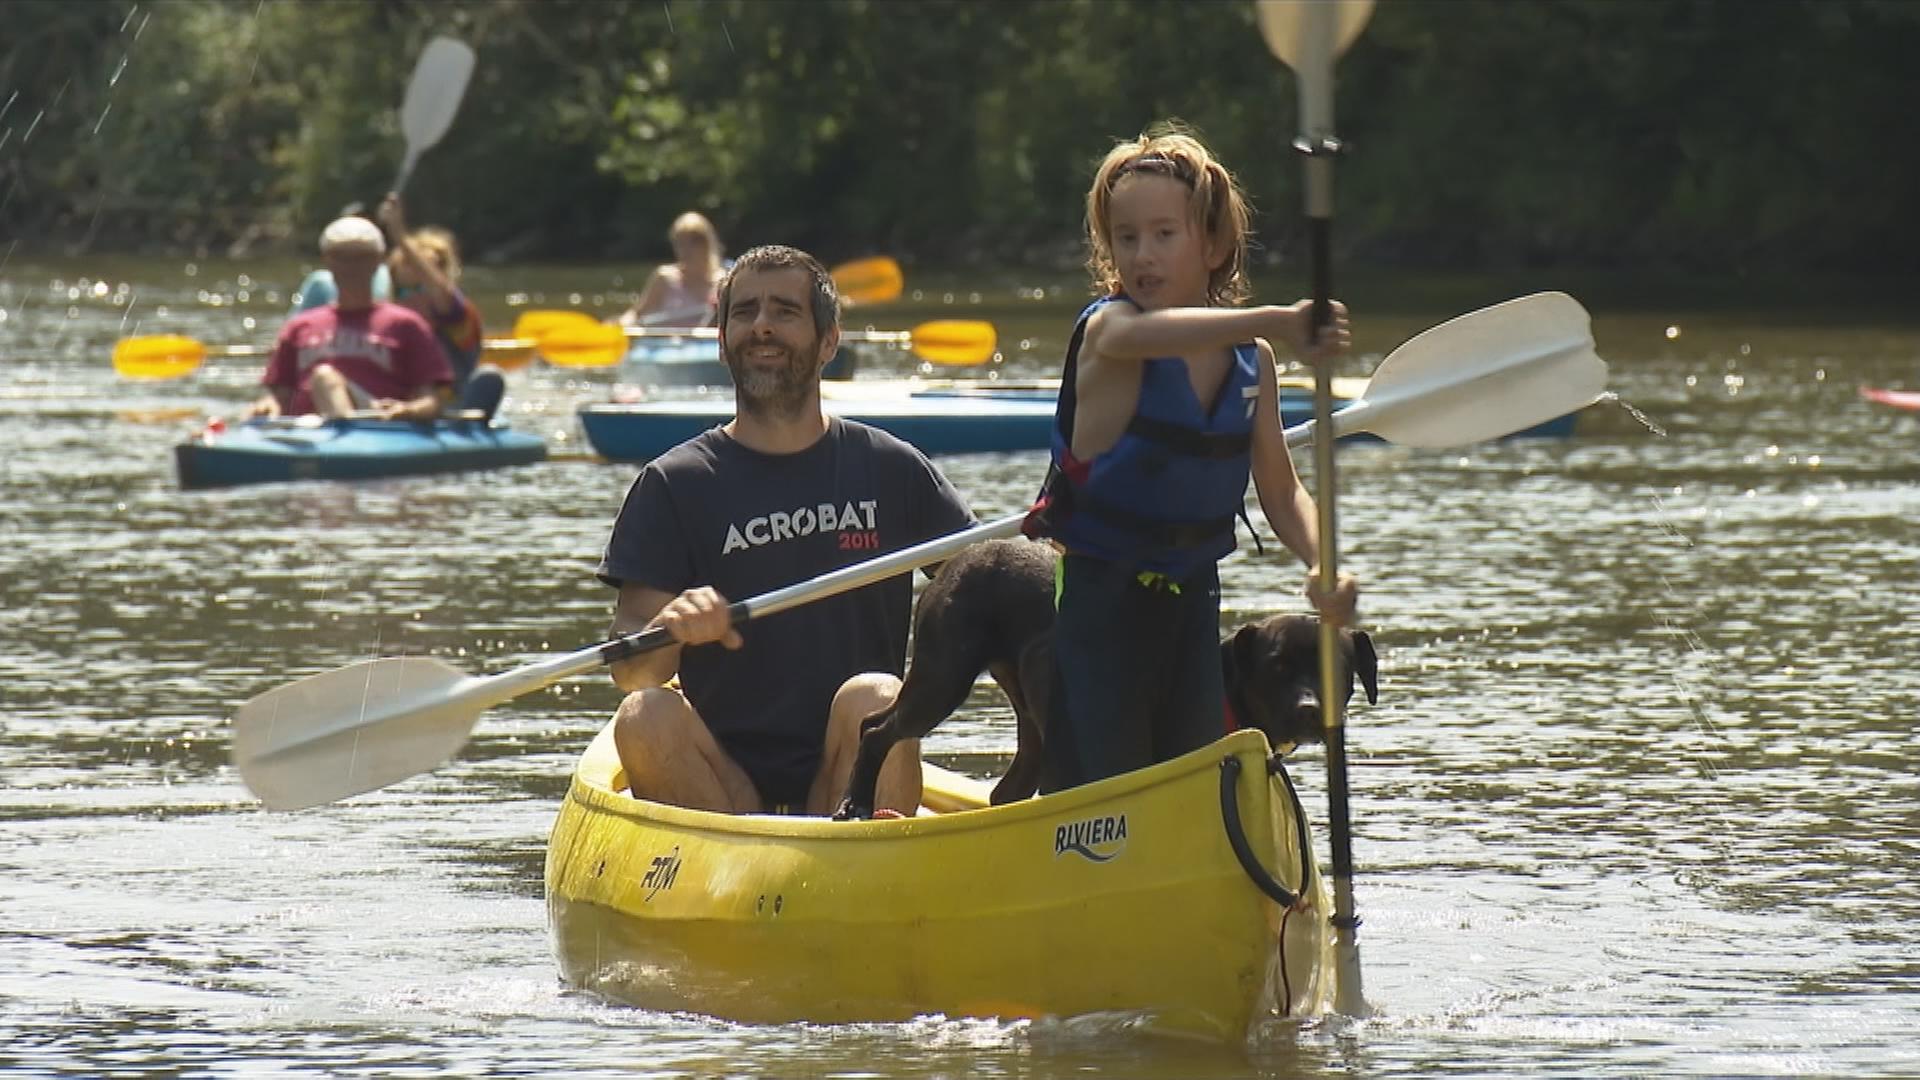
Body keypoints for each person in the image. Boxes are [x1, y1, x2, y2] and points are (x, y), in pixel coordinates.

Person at [1023, 124, 1360, 793]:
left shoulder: (1251, 364)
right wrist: (1276, 318)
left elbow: (1283, 491)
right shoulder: (1108, 332)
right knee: (1113, 789)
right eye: (1126, 238)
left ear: (1214, 244)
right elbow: (1141, 336)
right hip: (1102, 607)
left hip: (1192, 602)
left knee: (1192, 781)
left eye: (1163, 234)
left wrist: (1326, 561)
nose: (1141, 255)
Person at [598, 245, 976, 816]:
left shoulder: (892, 468)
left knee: (879, 697)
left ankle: (873, 865)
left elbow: (985, 590)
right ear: (723, 341)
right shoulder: (673, 483)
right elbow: (630, 670)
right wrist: (670, 629)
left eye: (785, 311)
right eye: (745, 312)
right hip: (722, 789)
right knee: (644, 714)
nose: (763, 326)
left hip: (848, 767)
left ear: (828, 341)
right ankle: (734, 878)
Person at [249, 216, 451, 421]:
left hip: (379, 426)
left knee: (324, 377)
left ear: (377, 261)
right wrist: (267, 406)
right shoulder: (299, 327)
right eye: (341, 257)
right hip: (309, 432)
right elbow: (278, 398)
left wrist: (408, 410)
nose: (351, 267)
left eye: (361, 258)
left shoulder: (407, 325)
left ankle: (346, 434)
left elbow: (432, 402)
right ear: (327, 261)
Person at [376, 192, 505, 420]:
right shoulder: (388, 329)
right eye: (405, 292)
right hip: (404, 411)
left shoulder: (458, 319)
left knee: (489, 377)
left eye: (421, 288)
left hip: (454, 413)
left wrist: (399, 235)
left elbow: (440, 291)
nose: (413, 299)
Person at [618, 211, 724, 328]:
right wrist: (623, 324)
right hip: (670, 344)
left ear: (707, 244)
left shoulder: (723, 282)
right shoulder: (665, 278)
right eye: (680, 243)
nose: (685, 250)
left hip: (707, 343)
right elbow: (636, 314)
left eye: (693, 243)